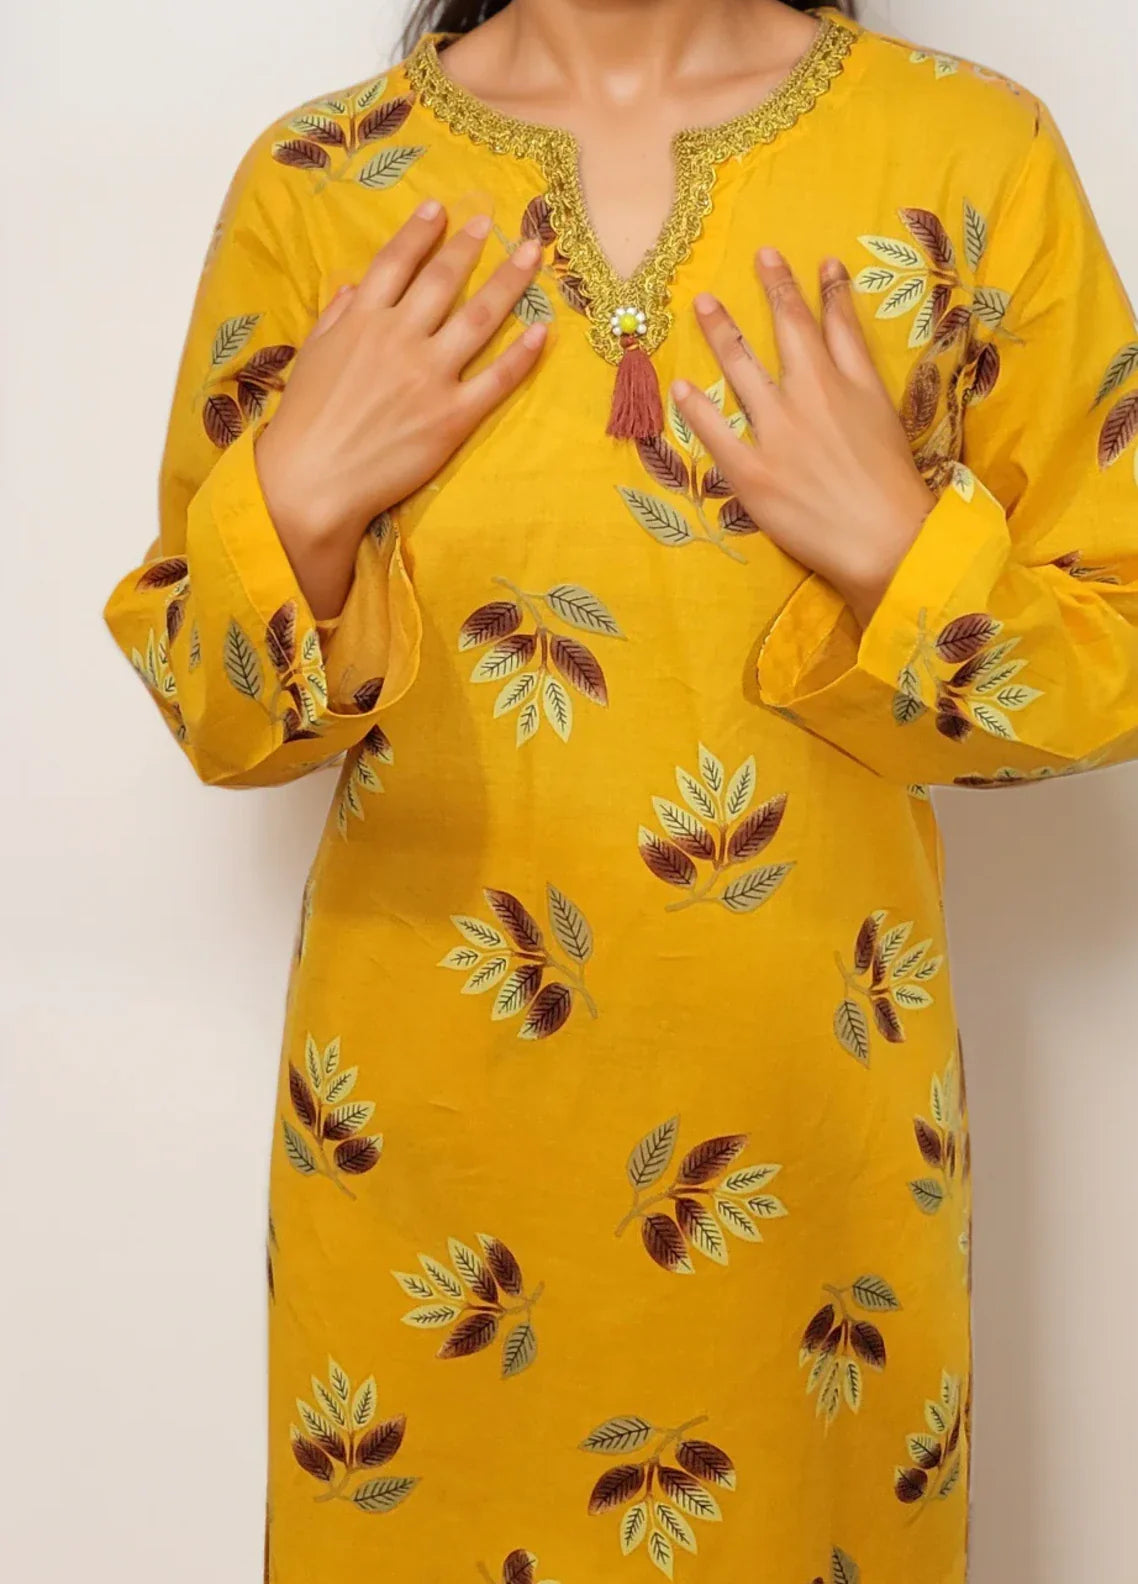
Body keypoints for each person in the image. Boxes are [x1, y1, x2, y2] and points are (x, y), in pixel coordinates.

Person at [101, 1, 1138, 1578]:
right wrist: (296, 504)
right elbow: (220, 716)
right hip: (429, 1186)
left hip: (810, 1185)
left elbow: (1114, 654)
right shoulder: (323, 182)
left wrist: (901, 554)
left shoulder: (964, 155)